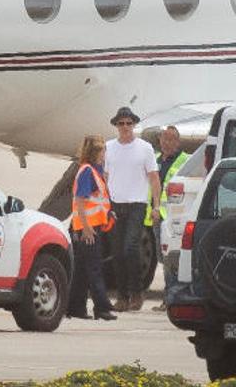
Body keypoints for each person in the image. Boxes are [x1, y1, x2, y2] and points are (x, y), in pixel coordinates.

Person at [105, 107, 161, 312]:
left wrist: (156, 206)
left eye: (129, 123)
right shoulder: (109, 147)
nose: (125, 127)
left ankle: (136, 292)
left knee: (130, 248)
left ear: (134, 125)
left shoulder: (145, 148)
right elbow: (104, 177)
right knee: (117, 252)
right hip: (115, 205)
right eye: (121, 124)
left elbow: (154, 179)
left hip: (137, 204)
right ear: (116, 126)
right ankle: (122, 297)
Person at [68, 135, 117, 321]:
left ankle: (75, 307)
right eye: (103, 150)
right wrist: (87, 228)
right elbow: (80, 201)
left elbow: (97, 200)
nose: (105, 153)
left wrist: (108, 213)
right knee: (94, 267)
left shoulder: (95, 171)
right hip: (87, 229)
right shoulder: (87, 171)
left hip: (90, 226)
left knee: (81, 269)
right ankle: (102, 307)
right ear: (97, 152)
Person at [145, 126, 190, 312]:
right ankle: (170, 296)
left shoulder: (185, 161)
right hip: (156, 217)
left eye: (171, 140)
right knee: (163, 259)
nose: (166, 143)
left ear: (178, 142)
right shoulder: (154, 160)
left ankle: (171, 298)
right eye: (164, 139)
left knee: (171, 259)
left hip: (174, 217)